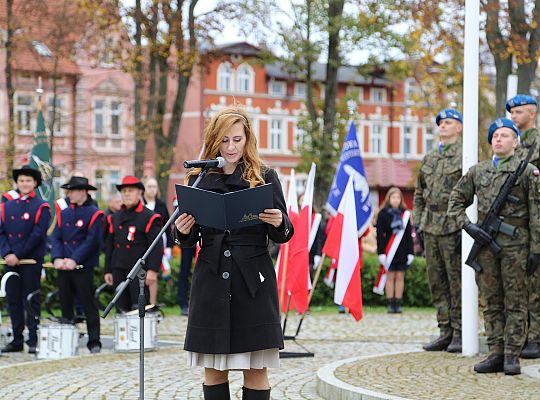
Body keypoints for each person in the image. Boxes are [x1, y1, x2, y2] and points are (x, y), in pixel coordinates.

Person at [174, 106, 293, 400]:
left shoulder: (265, 176)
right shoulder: (198, 179)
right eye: (225, 140)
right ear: (215, 140)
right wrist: (184, 229)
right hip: (211, 279)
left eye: (237, 140)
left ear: (247, 139)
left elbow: (285, 231)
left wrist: (279, 221)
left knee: (255, 369)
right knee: (214, 369)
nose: (230, 147)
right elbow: (187, 240)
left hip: (252, 282)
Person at [448, 117, 540, 375]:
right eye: (495, 136)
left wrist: (536, 250)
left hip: (517, 245)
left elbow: (537, 212)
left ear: (515, 141)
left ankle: (512, 354)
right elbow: (455, 201)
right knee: (491, 301)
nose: (498, 139)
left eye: (504, 135)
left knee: (516, 301)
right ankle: (496, 352)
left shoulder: (527, 171)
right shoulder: (479, 171)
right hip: (486, 245)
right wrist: (468, 226)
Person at [412, 108, 463, 353]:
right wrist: (417, 220)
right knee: (437, 281)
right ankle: (445, 331)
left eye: (449, 122)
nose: (443, 126)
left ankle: (461, 332)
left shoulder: (465, 156)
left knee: (456, 281)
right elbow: (419, 192)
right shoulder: (430, 158)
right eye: (441, 122)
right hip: (430, 226)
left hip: (453, 226)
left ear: (459, 127)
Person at [49, 176, 104, 353]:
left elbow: (91, 241)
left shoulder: (94, 213)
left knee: (88, 304)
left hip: (82, 267)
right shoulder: (64, 213)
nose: (69, 194)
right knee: (65, 303)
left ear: (82, 192)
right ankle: (68, 340)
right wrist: (57, 257)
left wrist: (74, 259)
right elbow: (56, 237)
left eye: (72, 191)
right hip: (64, 266)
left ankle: (94, 341)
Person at [0, 165, 51, 353]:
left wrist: (18, 255)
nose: (24, 184)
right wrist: (7, 254)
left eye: (28, 181)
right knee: (13, 300)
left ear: (35, 183)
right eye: (21, 180)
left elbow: (38, 235)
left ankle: (33, 339)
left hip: (30, 261)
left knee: (31, 299)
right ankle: (17, 339)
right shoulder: (7, 206)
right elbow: (1, 232)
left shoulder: (42, 206)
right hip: (10, 261)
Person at [507, 94, 540, 359]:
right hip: (516, 222)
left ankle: (535, 337)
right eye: (512, 113)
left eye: (518, 112)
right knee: (518, 282)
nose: (514, 117)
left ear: (532, 113)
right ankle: (519, 333)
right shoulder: (512, 146)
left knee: (535, 283)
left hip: (536, 219)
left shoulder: (538, 143)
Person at [104, 176, 163, 311]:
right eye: (124, 191)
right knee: (121, 308)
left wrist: (153, 271)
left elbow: (156, 246)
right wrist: (108, 269)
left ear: (139, 193)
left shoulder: (149, 216)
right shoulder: (115, 217)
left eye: (130, 190)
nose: (127, 194)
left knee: (140, 309)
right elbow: (110, 245)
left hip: (139, 270)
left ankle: (142, 333)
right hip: (119, 268)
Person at [376, 187, 414, 314]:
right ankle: (390, 303)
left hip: (402, 250)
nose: (396, 200)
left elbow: (409, 235)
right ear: (389, 198)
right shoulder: (383, 214)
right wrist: (381, 252)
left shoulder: (405, 214)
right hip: (389, 251)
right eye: (393, 197)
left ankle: (398, 303)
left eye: (398, 198)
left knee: (400, 276)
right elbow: (380, 235)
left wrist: (411, 252)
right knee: (390, 276)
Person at [142, 176, 172, 305]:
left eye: (154, 186)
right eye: (149, 186)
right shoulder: (140, 204)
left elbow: (167, 226)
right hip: (142, 243)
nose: (152, 189)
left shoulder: (161, 205)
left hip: (158, 244)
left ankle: (152, 303)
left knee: (152, 272)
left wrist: (169, 246)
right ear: (144, 188)